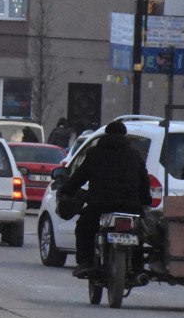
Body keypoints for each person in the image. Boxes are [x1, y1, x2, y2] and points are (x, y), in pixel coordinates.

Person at [56, 119, 152, 278]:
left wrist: (66, 190)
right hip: (129, 206)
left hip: (100, 206)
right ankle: (136, 265)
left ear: (106, 134)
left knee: (84, 227)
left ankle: (85, 262)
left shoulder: (94, 153)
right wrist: (145, 199)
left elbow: (78, 177)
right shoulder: (134, 154)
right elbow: (144, 181)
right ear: (124, 135)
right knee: (137, 232)